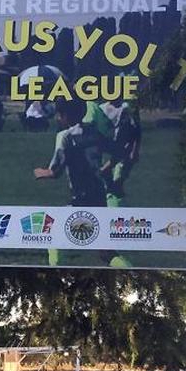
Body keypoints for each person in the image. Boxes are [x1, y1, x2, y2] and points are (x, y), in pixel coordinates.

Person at [33, 99, 131, 268]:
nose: (57, 118)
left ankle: (54, 268)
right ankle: (130, 269)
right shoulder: (94, 133)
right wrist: (106, 167)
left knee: (52, 232)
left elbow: (55, 171)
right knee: (105, 251)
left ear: (65, 116)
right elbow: (120, 151)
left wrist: (39, 172)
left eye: (59, 114)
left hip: (80, 197)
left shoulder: (65, 136)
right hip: (99, 195)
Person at [100, 99, 141, 207]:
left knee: (117, 183)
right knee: (107, 184)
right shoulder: (101, 108)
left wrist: (135, 150)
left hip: (124, 153)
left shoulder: (126, 108)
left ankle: (117, 212)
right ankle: (114, 208)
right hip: (108, 152)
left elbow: (136, 130)